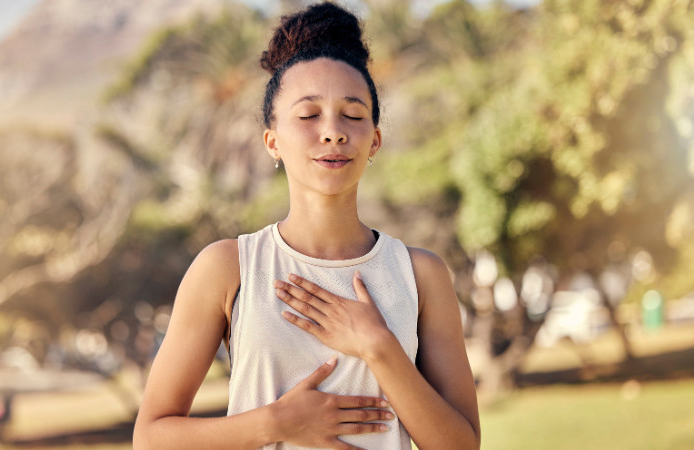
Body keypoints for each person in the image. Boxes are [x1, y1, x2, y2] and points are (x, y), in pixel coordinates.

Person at [132, 2, 480, 449]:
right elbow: (151, 438)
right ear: (272, 140)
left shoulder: (421, 274)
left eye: (353, 114)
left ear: (374, 140)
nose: (333, 131)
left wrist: (380, 347)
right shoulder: (229, 267)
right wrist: (274, 424)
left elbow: (462, 446)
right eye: (308, 114)